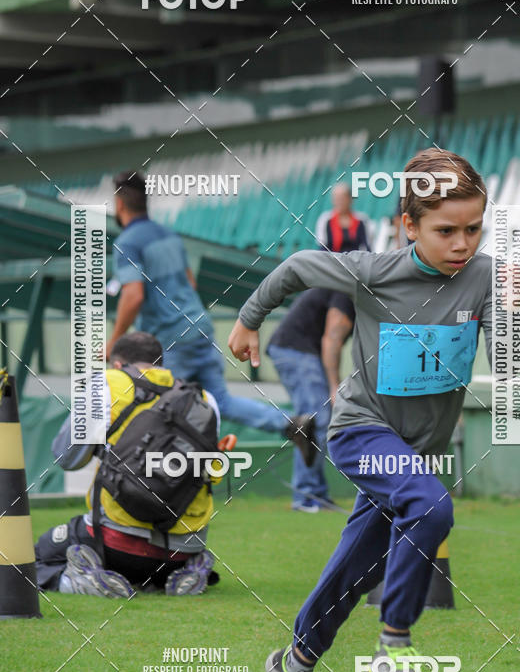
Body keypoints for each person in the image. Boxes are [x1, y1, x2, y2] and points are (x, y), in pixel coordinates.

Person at [229, 148, 519, 672]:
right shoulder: (373, 271)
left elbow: (507, 369)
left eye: (474, 229)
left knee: (357, 569)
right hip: (362, 431)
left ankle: (295, 663)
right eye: (446, 231)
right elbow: (298, 266)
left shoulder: (487, 276)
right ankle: (395, 644)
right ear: (409, 226)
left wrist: (512, 312)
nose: (462, 243)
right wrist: (248, 319)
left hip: (415, 454)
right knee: (432, 508)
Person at [106, 170, 316, 466]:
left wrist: (114, 342)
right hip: (198, 326)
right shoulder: (169, 235)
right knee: (221, 400)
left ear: (119, 204)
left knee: (160, 408)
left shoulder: (127, 243)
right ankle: (289, 424)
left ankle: (164, 480)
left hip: (171, 338)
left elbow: (133, 295)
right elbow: (190, 282)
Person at [36, 332, 223, 597]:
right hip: (184, 549)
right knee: (166, 558)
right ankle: (188, 571)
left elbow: (67, 458)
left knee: (39, 554)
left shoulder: (107, 384)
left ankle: (82, 582)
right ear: (161, 363)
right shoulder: (203, 398)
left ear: (117, 364)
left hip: (116, 544)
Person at [266, 288, 355, 512]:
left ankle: (316, 494)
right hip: (296, 351)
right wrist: (334, 386)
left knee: (316, 422)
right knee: (314, 421)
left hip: (298, 351)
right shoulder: (349, 288)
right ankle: (305, 496)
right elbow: (332, 339)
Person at [315, 182, 372, 252]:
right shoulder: (325, 219)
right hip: (331, 258)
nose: (339, 202)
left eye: (342, 198)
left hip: (356, 258)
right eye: (336, 199)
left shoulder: (362, 220)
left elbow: (367, 246)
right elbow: (322, 247)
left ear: (350, 199)